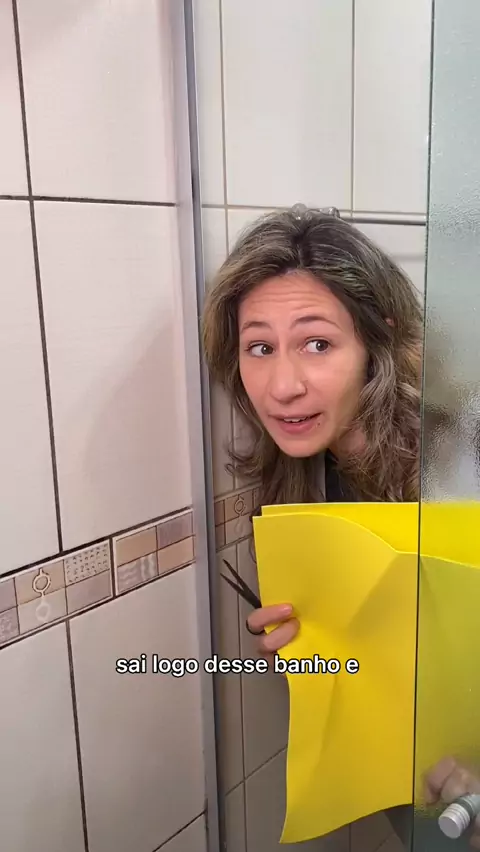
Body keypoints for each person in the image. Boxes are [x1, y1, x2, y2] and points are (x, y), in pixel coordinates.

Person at [202, 204, 422, 654]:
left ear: (378, 343)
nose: (283, 388)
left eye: (317, 344)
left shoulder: (456, 466)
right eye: (261, 347)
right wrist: (306, 650)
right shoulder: (301, 475)